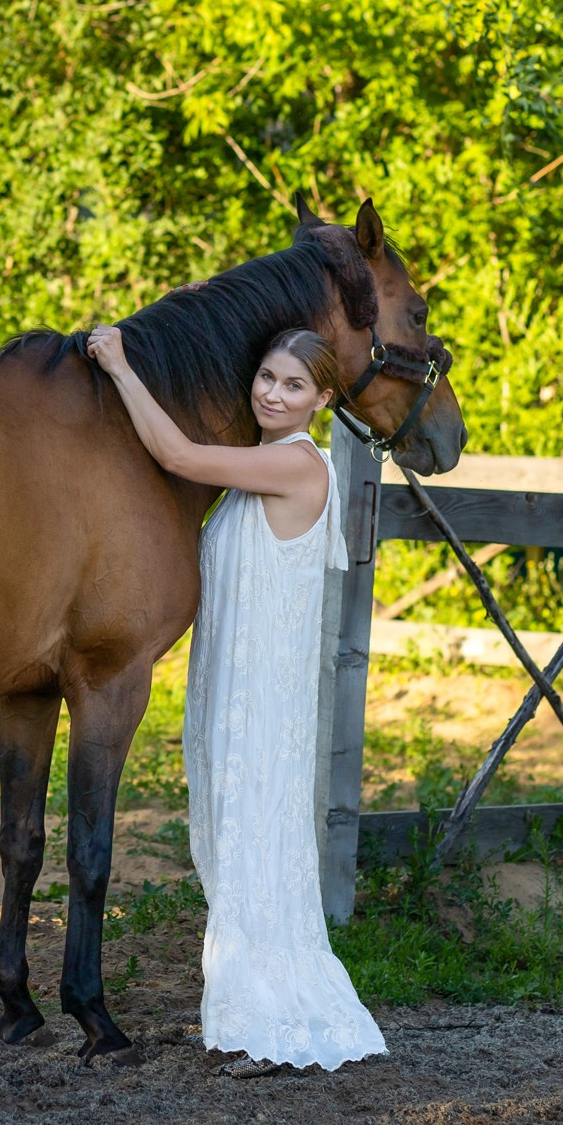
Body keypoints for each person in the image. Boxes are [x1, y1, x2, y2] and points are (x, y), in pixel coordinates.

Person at [85, 322, 386, 1075]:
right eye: (266, 377)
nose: (272, 393)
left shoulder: (298, 467)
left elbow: (179, 455)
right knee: (235, 843)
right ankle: (256, 1007)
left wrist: (121, 366)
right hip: (236, 690)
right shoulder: (263, 465)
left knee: (254, 846)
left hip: (263, 700)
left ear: (322, 398)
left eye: (293, 385)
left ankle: (272, 1021)